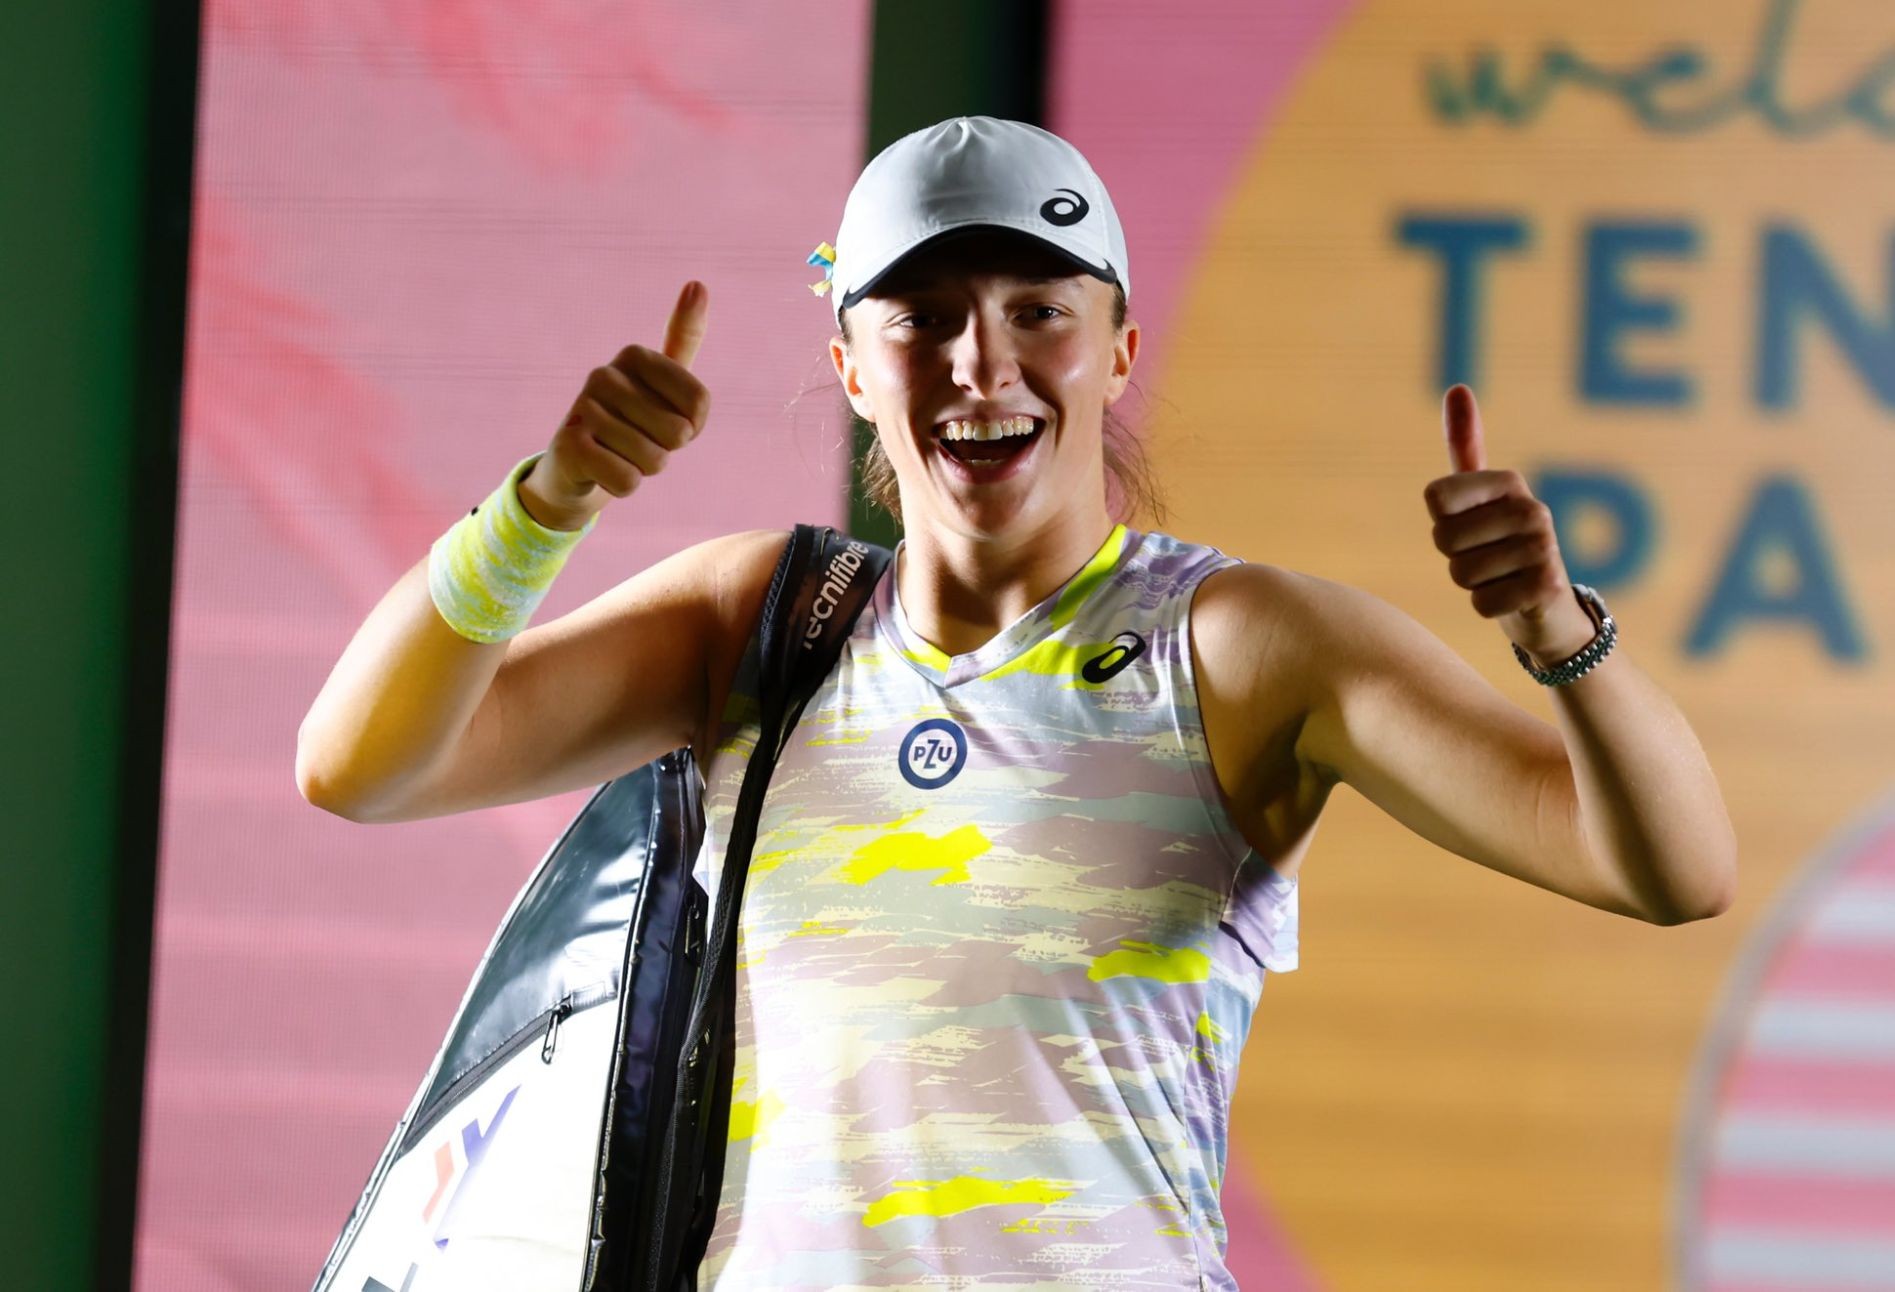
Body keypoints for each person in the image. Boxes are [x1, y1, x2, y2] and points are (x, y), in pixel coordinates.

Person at [297, 116, 1736, 1289]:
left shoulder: (1236, 645)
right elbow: (359, 765)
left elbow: (1671, 870)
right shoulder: (762, 623)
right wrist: (546, 507)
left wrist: (1555, 629)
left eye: (1038, 311)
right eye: (923, 317)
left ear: (1117, 350)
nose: (981, 364)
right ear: (851, 367)